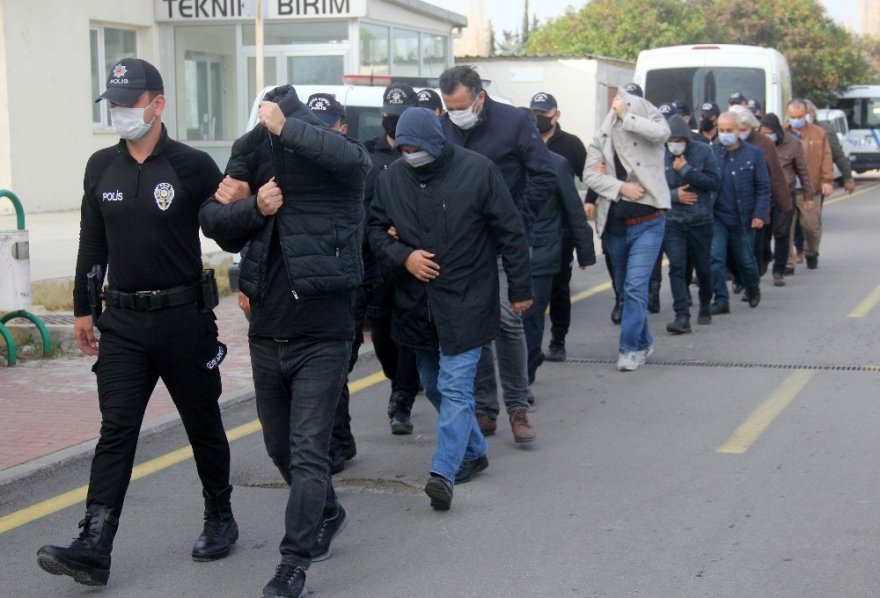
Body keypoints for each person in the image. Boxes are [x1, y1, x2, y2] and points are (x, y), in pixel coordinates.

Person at [37, 58, 237, 587]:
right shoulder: (101, 166)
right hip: (122, 320)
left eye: (129, 103)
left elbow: (228, 228)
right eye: (115, 105)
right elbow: (91, 240)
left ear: (158, 103)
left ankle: (220, 515)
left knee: (202, 421)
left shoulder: (192, 166)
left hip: (183, 319)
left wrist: (251, 213)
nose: (121, 113)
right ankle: (95, 544)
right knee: (116, 430)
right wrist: (84, 307)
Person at [199, 83, 370, 598]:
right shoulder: (252, 150)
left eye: (272, 121)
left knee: (308, 447)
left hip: (324, 328)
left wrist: (286, 127)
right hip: (267, 329)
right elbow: (215, 223)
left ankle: (292, 563)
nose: (267, 126)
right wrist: (255, 208)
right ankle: (329, 511)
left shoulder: (332, 151)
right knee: (279, 448)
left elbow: (355, 161)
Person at [368, 107, 533, 509]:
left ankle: (444, 471)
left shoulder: (478, 171)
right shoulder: (391, 180)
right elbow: (373, 228)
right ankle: (474, 452)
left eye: (417, 147)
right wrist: (403, 256)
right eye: (403, 148)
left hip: (468, 297)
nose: (411, 154)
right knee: (435, 385)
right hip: (416, 304)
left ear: (435, 142)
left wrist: (520, 287)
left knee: (457, 388)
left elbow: (509, 230)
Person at [439, 65, 555, 440]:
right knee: (477, 325)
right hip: (463, 245)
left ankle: (518, 408)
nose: (455, 113)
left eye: (460, 105)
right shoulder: (443, 127)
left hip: (507, 241)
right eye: (448, 106)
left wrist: (516, 220)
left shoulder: (514, 123)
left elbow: (544, 174)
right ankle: (485, 408)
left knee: (507, 320)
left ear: (479, 97)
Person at [585, 90, 671, 372]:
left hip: (649, 222)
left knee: (635, 287)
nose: (618, 116)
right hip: (615, 227)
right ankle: (644, 340)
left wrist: (628, 116)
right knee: (625, 290)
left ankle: (630, 348)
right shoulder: (602, 136)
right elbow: (589, 176)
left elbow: (661, 133)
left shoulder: (648, 133)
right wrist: (621, 187)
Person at [305, 92, 363, 472]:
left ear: (342, 127)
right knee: (330, 372)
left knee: (340, 365)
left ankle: (338, 440)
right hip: (311, 285)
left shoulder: (355, 165)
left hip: (353, 282)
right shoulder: (294, 167)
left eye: (328, 129)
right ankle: (338, 441)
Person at [517, 107, 595, 381]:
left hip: (542, 254)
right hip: (505, 255)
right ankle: (525, 361)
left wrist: (585, 252)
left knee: (532, 318)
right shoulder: (497, 163)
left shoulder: (556, 163)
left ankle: (524, 381)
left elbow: (574, 211)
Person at [364, 83, 422, 435]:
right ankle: (399, 379)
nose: (392, 122)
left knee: (409, 334)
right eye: (388, 116)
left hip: (415, 260)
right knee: (383, 336)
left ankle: (401, 401)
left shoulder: (421, 154)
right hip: (378, 261)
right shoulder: (366, 155)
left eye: (399, 117)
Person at [529, 91, 588, 362]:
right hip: (533, 235)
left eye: (544, 114)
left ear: (556, 114)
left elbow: (578, 190)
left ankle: (558, 339)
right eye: (536, 114)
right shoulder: (518, 150)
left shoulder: (570, 147)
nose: (540, 119)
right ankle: (528, 347)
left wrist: (582, 246)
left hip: (560, 233)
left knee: (559, 288)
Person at [663, 114, 720, 333]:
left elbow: (714, 183)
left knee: (703, 268)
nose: (675, 144)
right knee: (677, 267)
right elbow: (654, 189)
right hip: (673, 221)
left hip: (700, 220)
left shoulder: (703, 152)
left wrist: (687, 171)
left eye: (679, 140)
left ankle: (705, 303)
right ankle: (682, 315)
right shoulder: (661, 155)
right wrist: (674, 196)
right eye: (671, 140)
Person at [709, 111, 770, 315]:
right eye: (721, 130)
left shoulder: (754, 154)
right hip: (718, 218)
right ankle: (721, 299)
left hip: (743, 219)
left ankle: (753, 288)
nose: (725, 134)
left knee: (746, 260)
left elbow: (763, 187)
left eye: (729, 130)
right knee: (715, 259)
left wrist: (759, 214)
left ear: (739, 130)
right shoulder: (712, 153)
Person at [730, 105, 789, 282]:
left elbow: (776, 176)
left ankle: (752, 282)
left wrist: (784, 204)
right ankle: (740, 277)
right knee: (734, 247)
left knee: (757, 246)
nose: (740, 133)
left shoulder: (764, 144)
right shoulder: (725, 143)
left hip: (758, 205)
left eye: (744, 129)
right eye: (737, 129)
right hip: (731, 205)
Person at [759, 112, 813, 286]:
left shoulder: (792, 144)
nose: (766, 135)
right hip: (762, 196)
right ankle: (764, 259)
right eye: (763, 131)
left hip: (784, 195)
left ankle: (779, 270)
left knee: (782, 233)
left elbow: (803, 171)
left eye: (769, 131)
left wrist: (808, 194)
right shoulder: (756, 144)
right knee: (762, 234)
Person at [784, 98, 832, 272]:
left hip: (810, 190)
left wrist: (827, 180)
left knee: (811, 227)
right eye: (792, 116)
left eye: (799, 116)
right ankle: (788, 263)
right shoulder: (781, 134)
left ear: (806, 114)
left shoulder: (818, 133)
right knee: (785, 230)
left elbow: (827, 157)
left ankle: (811, 252)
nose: (795, 119)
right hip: (787, 190)